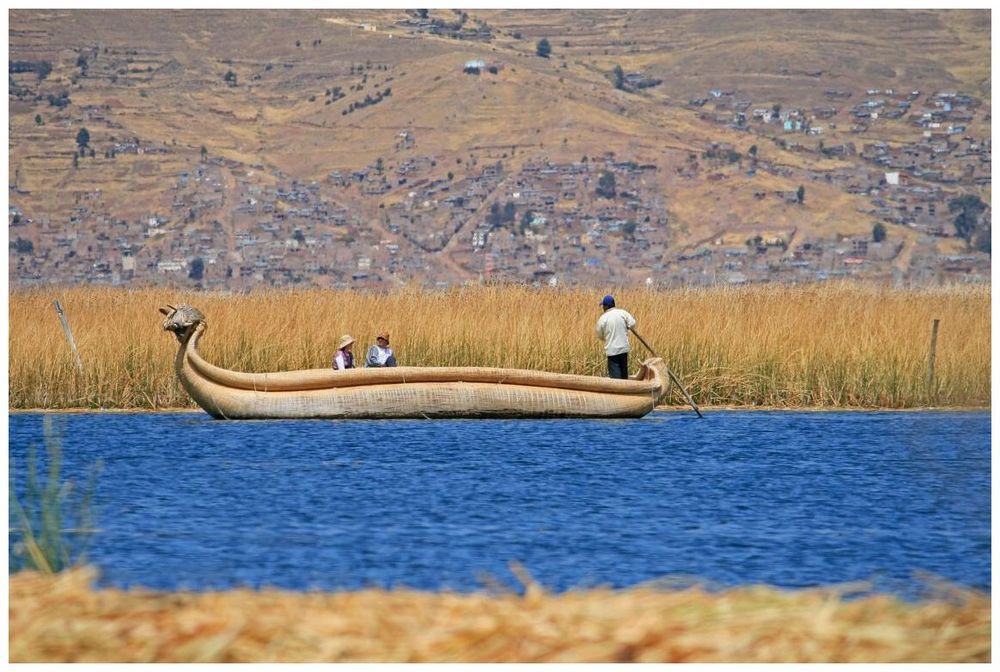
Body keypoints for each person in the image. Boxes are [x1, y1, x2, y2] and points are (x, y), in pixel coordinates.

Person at [595, 294, 636, 379]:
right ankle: (625, 389)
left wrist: (606, 338)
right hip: (624, 349)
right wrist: (627, 327)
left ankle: (619, 391)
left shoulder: (603, 318)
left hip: (612, 351)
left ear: (606, 306)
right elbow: (632, 324)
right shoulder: (622, 313)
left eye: (603, 306)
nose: (603, 308)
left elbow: (599, 334)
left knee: (616, 378)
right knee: (624, 375)